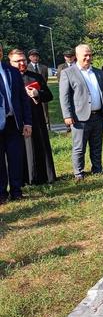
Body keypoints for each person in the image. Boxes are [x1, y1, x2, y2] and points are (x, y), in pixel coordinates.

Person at [59, 44, 103, 181]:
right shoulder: (68, 73)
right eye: (85, 55)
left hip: (97, 115)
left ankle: (97, 169)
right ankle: (79, 173)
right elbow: (64, 97)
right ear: (77, 56)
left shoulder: (98, 72)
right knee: (79, 147)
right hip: (79, 117)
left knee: (97, 145)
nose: (88, 58)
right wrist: (67, 115)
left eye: (90, 55)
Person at [8, 49, 56, 185]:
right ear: (10, 62)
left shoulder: (36, 76)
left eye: (23, 60)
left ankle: (42, 176)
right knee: (21, 149)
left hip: (36, 117)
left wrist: (37, 93)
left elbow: (49, 96)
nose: (22, 63)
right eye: (18, 61)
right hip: (16, 120)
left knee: (38, 146)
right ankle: (23, 179)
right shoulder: (7, 77)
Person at [0, 44, 33, 203]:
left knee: (15, 158)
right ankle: (1, 193)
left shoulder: (11, 72)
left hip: (14, 123)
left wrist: (27, 122)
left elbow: (23, 99)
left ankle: (16, 190)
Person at [28, 49, 50, 129]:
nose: (35, 58)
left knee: (45, 109)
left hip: (42, 92)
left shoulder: (44, 67)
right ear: (30, 57)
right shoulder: (27, 67)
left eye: (37, 56)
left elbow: (45, 79)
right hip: (31, 92)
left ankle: (47, 125)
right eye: (33, 56)